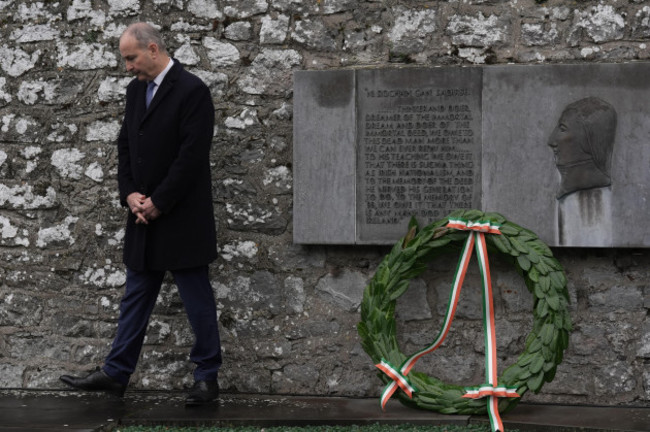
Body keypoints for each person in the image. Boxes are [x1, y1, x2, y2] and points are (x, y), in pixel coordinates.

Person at [60, 22, 222, 406]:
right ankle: (116, 373)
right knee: (135, 297)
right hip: (143, 217)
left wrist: (160, 201)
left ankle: (207, 378)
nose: (127, 67)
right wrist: (130, 193)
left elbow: (192, 156)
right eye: (125, 60)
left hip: (181, 217)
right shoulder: (136, 92)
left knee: (196, 299)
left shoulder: (192, 90)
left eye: (131, 58)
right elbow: (125, 146)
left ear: (153, 49)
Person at [547, 96, 617, 246]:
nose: (552, 141)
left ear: (589, 139)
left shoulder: (604, 203)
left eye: (562, 129)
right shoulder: (568, 199)